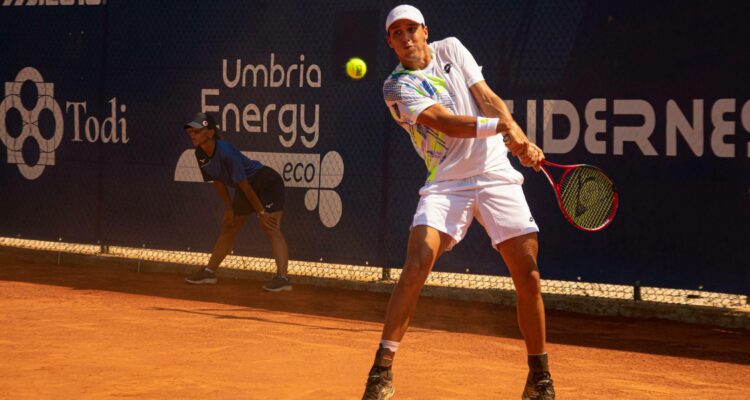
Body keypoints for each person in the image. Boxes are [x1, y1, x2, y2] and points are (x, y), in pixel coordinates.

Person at [362, 5, 554, 400]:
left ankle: (539, 377)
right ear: (390, 42)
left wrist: (515, 131)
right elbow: (448, 124)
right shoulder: (395, 87)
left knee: (529, 275)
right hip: (448, 182)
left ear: (425, 31)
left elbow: (485, 96)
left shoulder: (452, 49)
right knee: (416, 264)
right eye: (396, 33)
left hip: (496, 175)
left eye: (411, 29)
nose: (406, 38)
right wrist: (503, 128)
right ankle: (381, 371)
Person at [182, 112, 292, 292]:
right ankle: (209, 272)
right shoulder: (200, 153)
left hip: (266, 183)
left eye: (197, 131)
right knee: (230, 227)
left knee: (270, 227)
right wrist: (229, 209)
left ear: (210, 133)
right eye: (191, 132)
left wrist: (262, 213)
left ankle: (283, 278)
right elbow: (217, 180)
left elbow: (245, 185)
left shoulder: (225, 152)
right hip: (246, 188)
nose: (192, 134)